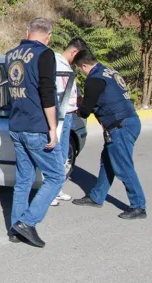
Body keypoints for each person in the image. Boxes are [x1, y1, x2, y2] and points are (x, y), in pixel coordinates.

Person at [6, 18, 65, 248]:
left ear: (26, 31)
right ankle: (27, 223)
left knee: (23, 180)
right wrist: (52, 128)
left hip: (16, 125)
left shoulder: (10, 54)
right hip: (36, 126)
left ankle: (15, 228)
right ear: (48, 36)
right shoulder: (45, 54)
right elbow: (47, 93)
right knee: (56, 176)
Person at [71, 49, 147, 220]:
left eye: (80, 69)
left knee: (123, 166)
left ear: (84, 65)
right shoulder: (109, 72)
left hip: (120, 127)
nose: (81, 73)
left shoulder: (94, 79)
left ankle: (138, 206)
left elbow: (85, 111)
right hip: (128, 122)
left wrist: (74, 107)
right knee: (108, 162)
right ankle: (96, 196)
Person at [50, 38, 88, 206]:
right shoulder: (56, 64)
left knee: (63, 155)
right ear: (74, 52)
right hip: (59, 115)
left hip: (69, 115)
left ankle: (57, 190)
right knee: (55, 154)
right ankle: (49, 193)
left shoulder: (67, 66)